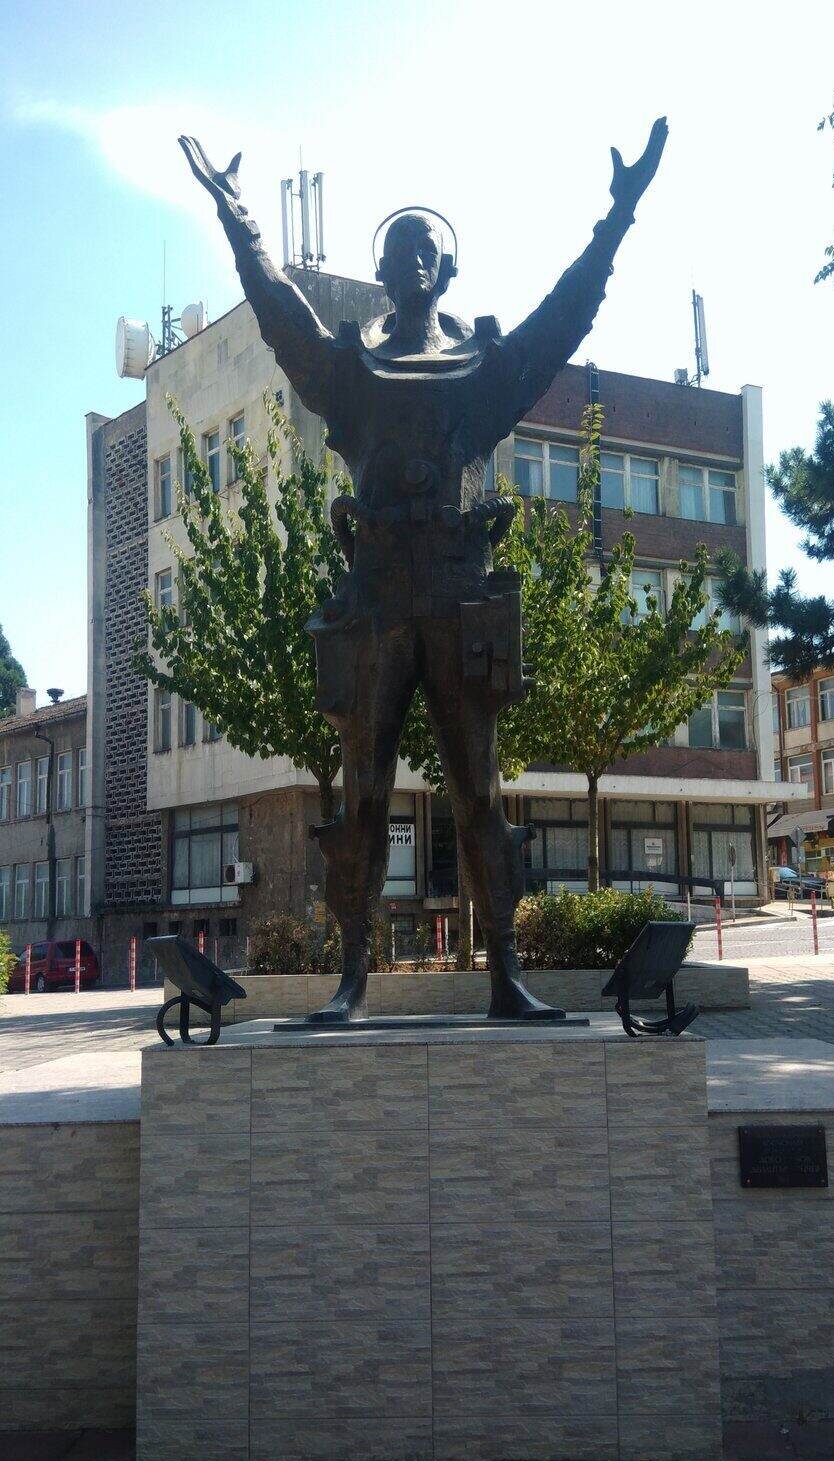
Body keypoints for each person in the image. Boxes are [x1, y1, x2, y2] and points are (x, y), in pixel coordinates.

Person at [180, 120, 667, 1022]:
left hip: (459, 592)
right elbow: (279, 309)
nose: (411, 261)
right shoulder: (351, 373)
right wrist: (237, 216)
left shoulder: (485, 372)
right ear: (383, 269)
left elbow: (565, 316)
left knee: (480, 788)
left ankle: (506, 973)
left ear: (446, 271)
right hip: (375, 597)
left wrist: (618, 217)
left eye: (425, 250)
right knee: (361, 791)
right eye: (398, 249)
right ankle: (352, 976)